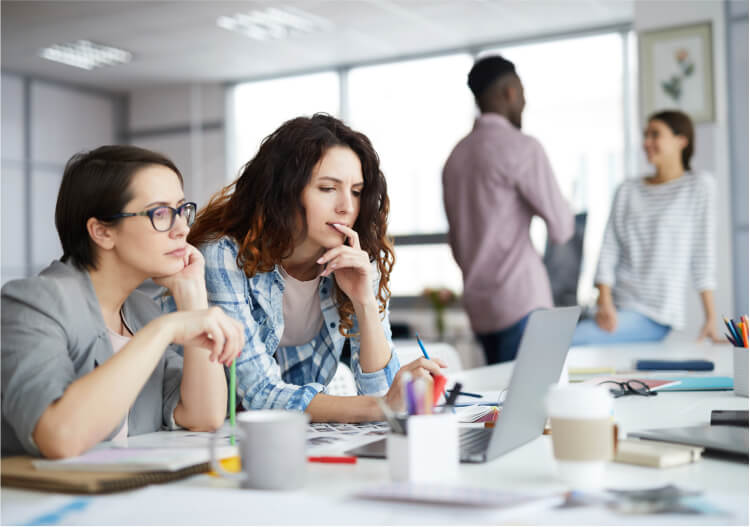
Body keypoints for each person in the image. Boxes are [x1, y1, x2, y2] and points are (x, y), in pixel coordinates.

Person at [183, 114, 444, 422]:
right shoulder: (224, 255)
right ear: (283, 192)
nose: (347, 206)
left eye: (356, 191)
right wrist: (381, 406)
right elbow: (260, 393)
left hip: (291, 431)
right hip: (204, 429)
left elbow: (382, 393)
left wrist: (364, 302)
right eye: (327, 188)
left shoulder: (354, 258)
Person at [1, 146, 244, 458]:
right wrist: (164, 330)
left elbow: (204, 416)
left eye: (181, 210)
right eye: (160, 214)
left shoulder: (142, 311)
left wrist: (192, 295)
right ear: (102, 232)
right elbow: (59, 437)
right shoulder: (32, 304)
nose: (183, 228)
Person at [443, 55, 574, 364]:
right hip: (522, 303)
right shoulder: (522, 147)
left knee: (498, 392)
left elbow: (458, 242)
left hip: (480, 308)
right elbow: (562, 227)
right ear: (510, 92)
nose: (524, 102)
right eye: (522, 93)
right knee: (535, 393)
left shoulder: (455, 157)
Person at [572, 110, 719, 345]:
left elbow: (703, 255)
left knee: (570, 340)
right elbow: (609, 249)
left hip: (655, 315)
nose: (646, 142)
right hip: (614, 307)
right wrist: (604, 302)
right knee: (549, 334)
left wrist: (710, 318)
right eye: (645, 135)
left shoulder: (698, 186)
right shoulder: (627, 190)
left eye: (655, 134)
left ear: (681, 140)